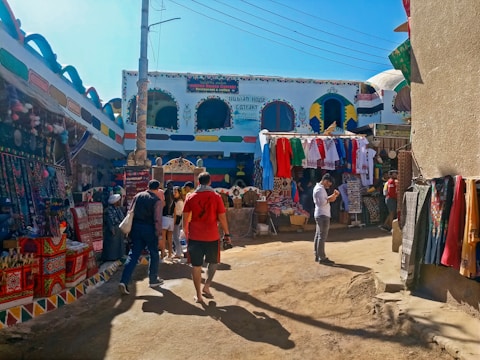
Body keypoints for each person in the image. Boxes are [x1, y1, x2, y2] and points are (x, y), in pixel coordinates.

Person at [182, 172, 231, 303]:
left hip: (195, 237)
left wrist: (186, 233)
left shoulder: (190, 197)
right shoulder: (216, 197)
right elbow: (222, 217)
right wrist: (227, 234)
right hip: (212, 236)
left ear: (198, 182)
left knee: (196, 266)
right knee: (213, 262)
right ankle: (207, 286)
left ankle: (198, 295)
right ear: (210, 182)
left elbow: (185, 217)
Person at [119, 180, 164, 295]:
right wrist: (159, 235)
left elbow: (130, 212)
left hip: (136, 228)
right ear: (157, 189)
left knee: (133, 255)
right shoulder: (156, 201)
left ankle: (124, 281)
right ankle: (153, 279)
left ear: (147, 187)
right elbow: (157, 219)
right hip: (149, 229)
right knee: (154, 253)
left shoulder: (137, 196)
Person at [313, 173, 339, 265]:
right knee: (322, 236)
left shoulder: (319, 188)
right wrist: (331, 198)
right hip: (322, 215)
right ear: (325, 181)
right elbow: (323, 202)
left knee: (318, 235)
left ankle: (318, 255)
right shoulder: (319, 190)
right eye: (328, 184)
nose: (328, 186)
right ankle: (322, 257)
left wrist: (332, 197)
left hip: (321, 214)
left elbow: (324, 200)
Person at [102, 194, 125, 261]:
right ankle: (110, 258)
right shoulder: (108, 210)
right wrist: (112, 229)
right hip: (113, 228)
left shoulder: (118, 208)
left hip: (119, 228)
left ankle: (119, 256)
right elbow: (109, 220)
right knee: (112, 244)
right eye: (118, 200)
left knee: (119, 243)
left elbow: (122, 217)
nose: (120, 202)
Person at [162, 180, 175, 259]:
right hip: (171, 218)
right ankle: (170, 254)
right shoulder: (174, 194)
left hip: (165, 217)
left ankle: (162, 255)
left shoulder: (165, 192)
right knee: (170, 238)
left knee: (163, 238)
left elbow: (163, 204)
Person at [172, 186, 184, 260]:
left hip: (177, 220)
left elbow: (179, 212)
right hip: (174, 219)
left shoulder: (180, 202)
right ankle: (178, 251)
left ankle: (178, 253)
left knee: (176, 237)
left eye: (175, 192)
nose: (174, 194)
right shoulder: (175, 201)